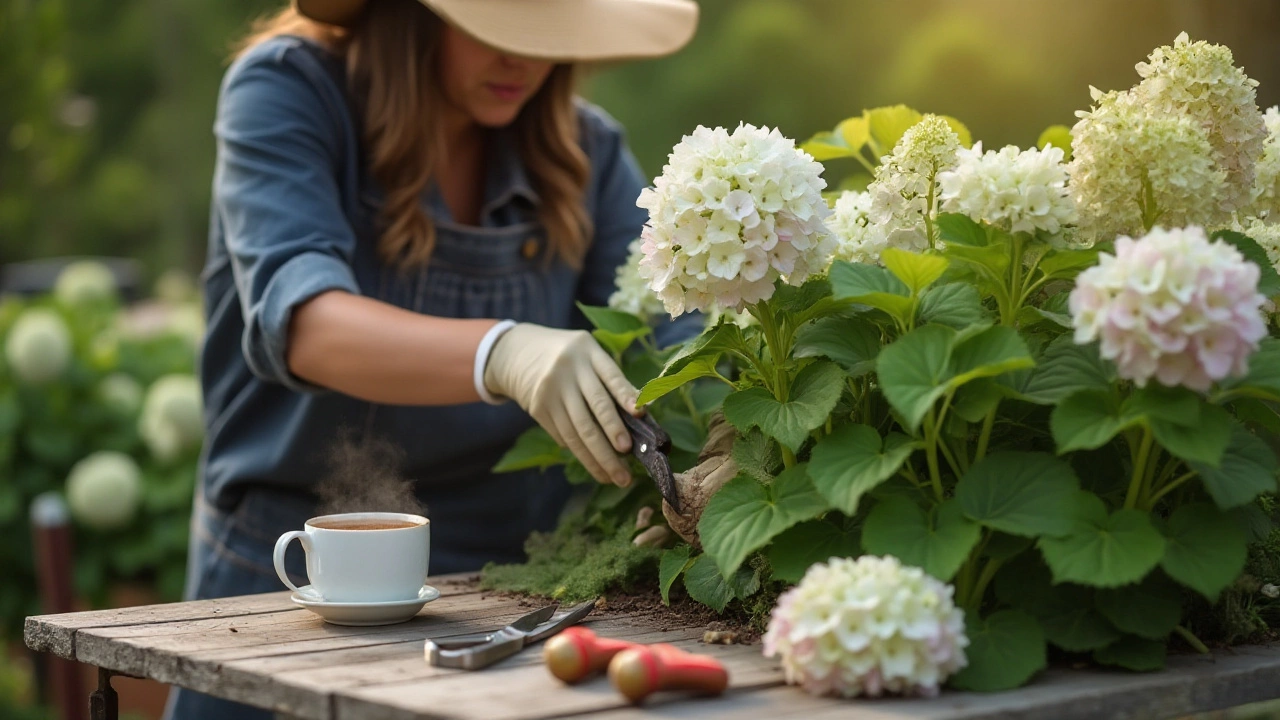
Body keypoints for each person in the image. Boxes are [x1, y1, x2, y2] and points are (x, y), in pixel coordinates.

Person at [163, 0, 698, 717]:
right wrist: (501, 350)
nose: (526, 62)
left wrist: (711, 434)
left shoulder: (586, 152)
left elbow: (666, 334)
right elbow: (304, 323)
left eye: (549, 35)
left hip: (510, 583)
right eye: (498, 29)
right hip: (296, 575)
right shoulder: (288, 92)